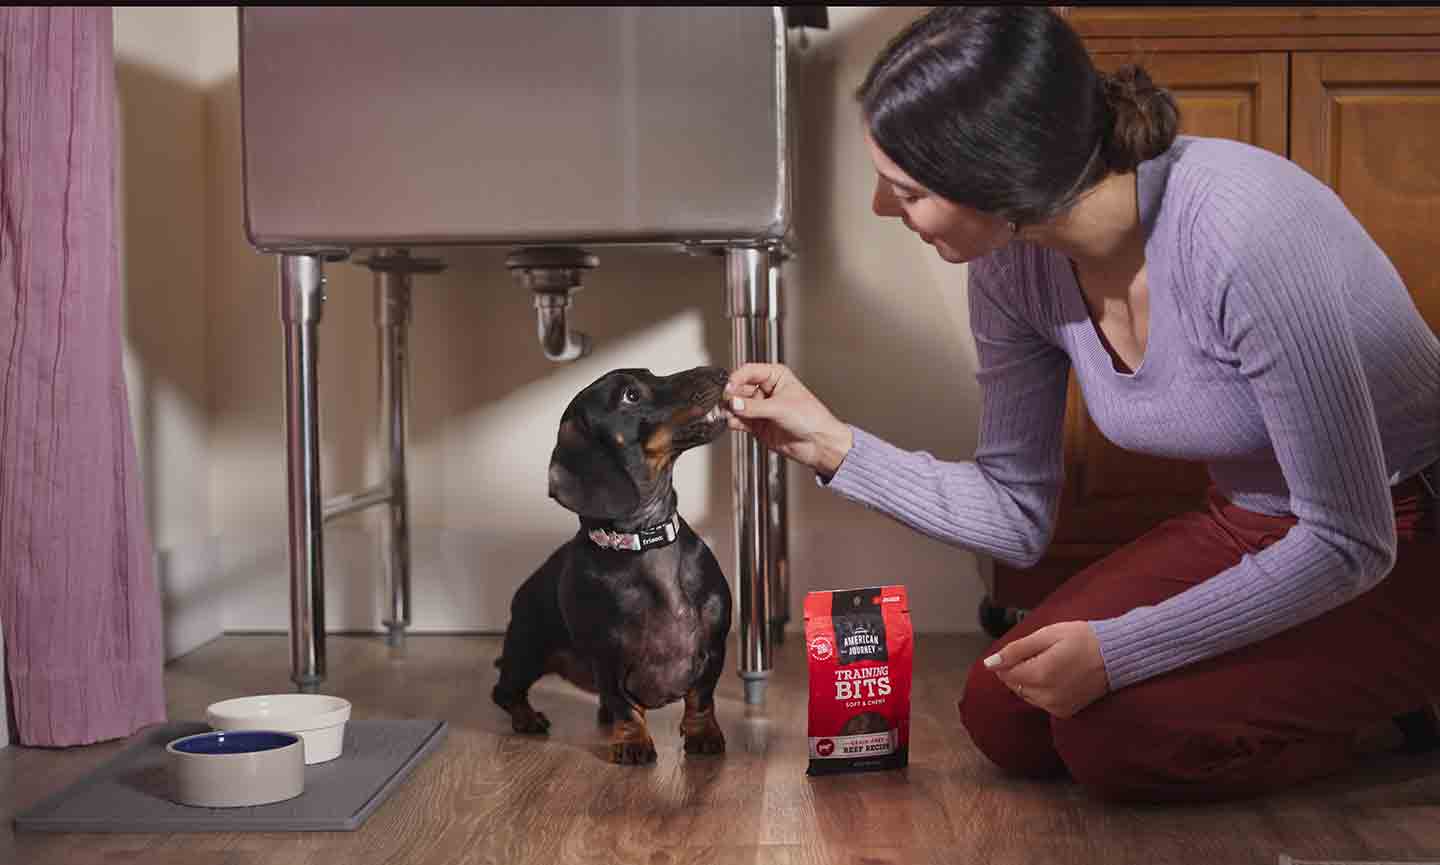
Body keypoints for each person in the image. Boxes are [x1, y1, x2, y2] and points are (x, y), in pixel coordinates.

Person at [724, 6, 1440, 802]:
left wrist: (1119, 650)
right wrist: (830, 444)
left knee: (1115, 737)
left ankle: (1400, 710)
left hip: (1402, 533)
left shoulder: (1244, 229)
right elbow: (1013, 515)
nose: (882, 210)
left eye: (908, 190)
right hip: (1253, 520)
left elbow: (1349, 540)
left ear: (1004, 183)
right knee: (1003, 711)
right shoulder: (1013, 264)